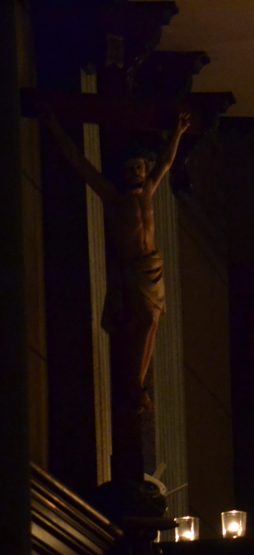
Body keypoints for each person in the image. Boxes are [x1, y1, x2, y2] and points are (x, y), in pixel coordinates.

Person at [43, 109, 191, 413]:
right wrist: (54, 126)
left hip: (153, 266)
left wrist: (177, 133)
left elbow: (165, 162)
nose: (136, 173)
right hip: (134, 269)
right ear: (124, 174)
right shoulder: (113, 197)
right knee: (147, 320)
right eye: (131, 169)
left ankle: (137, 385)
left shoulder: (148, 192)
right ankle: (135, 387)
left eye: (139, 167)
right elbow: (79, 163)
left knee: (151, 324)